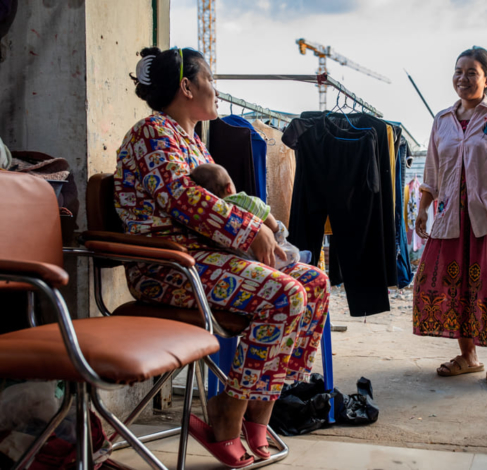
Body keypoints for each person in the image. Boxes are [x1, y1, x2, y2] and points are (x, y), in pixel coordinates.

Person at [114, 46, 330, 468]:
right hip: (170, 267)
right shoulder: (151, 133)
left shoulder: (193, 142)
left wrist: (260, 228)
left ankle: (260, 411)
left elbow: (224, 199)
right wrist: (251, 233)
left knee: (314, 284)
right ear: (187, 86)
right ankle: (228, 414)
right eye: (210, 79)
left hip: (207, 261)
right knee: (285, 294)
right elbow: (182, 197)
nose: (216, 89)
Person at [413, 46, 487, 393]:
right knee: (451, 286)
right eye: (458, 71)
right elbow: (432, 168)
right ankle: (468, 357)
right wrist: (422, 206)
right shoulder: (442, 119)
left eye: (471, 72)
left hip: (486, 218)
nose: (462, 78)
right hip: (448, 217)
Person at [189, 162, 303, 269]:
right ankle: (295, 256)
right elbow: (269, 220)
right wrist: (280, 232)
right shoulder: (243, 200)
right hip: (261, 252)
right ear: (229, 187)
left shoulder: (211, 213)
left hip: (237, 257)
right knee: (288, 253)